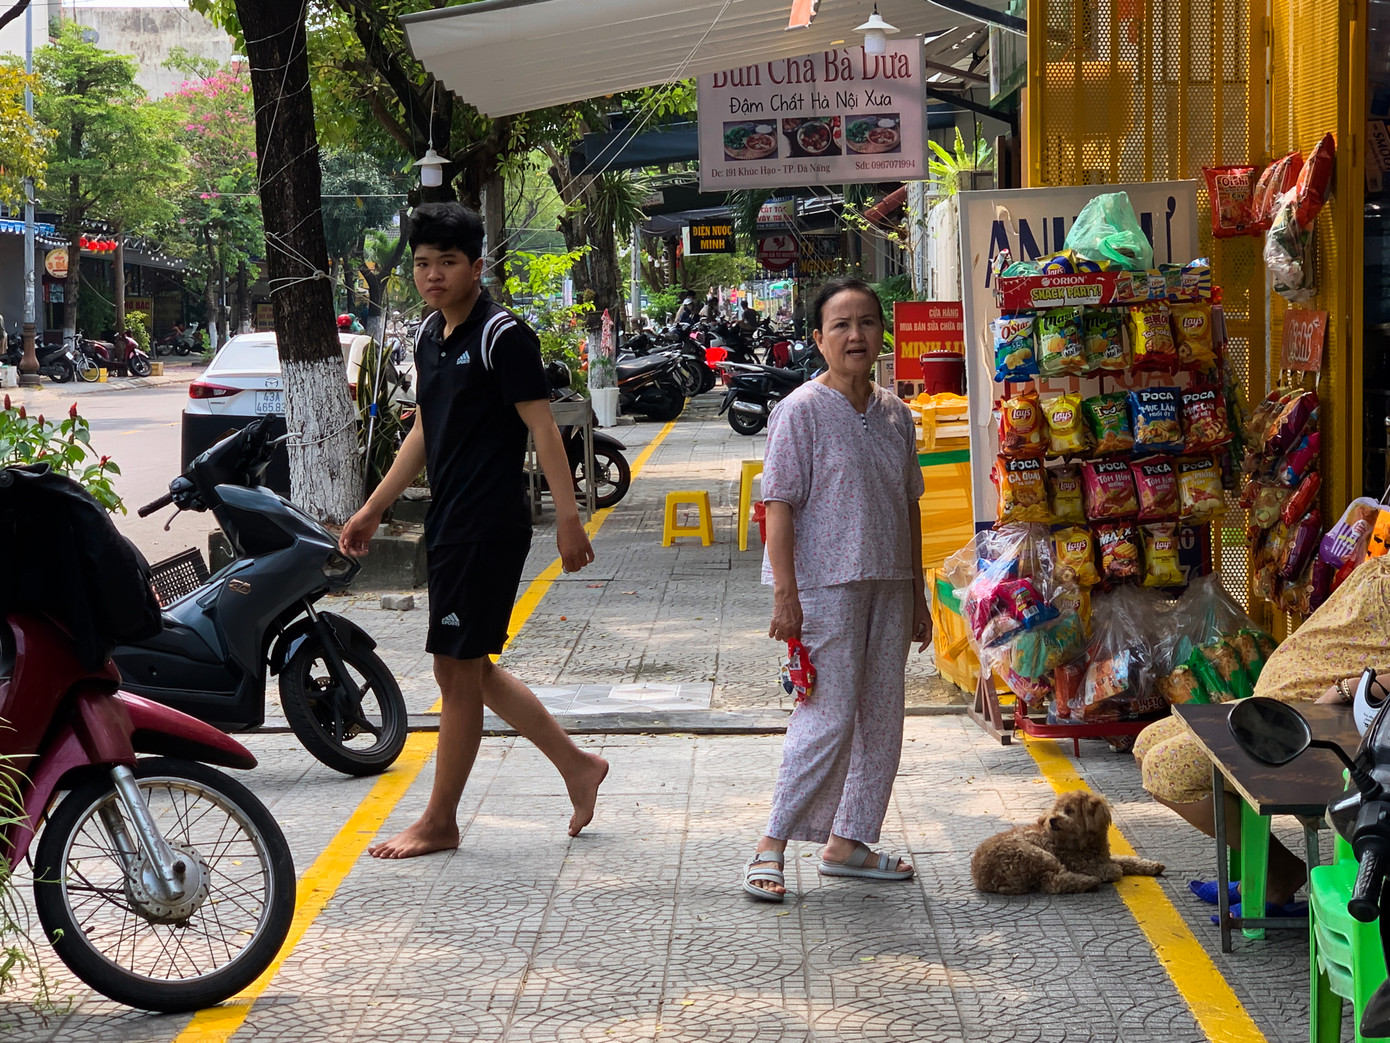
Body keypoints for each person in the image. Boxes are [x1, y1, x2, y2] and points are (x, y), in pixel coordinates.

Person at [339, 202, 609, 859]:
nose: (433, 275)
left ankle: (439, 820)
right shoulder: (431, 335)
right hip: (449, 520)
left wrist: (570, 519)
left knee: (456, 672)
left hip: (489, 524)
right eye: (424, 263)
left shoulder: (501, 335)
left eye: (448, 263)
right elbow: (426, 433)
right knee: (467, 669)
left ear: (475, 267)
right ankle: (578, 766)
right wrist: (373, 507)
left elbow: (546, 428)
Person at [742, 276, 932, 902]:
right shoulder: (799, 410)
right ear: (819, 338)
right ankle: (771, 844)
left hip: (890, 583)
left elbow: (910, 505)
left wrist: (920, 594)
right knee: (825, 717)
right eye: (841, 325)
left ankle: (849, 841)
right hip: (824, 587)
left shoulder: (896, 413)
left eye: (868, 323)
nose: (856, 336)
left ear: (883, 333)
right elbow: (778, 505)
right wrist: (785, 595)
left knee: (882, 720)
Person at [1133, 554, 1390, 913]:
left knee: (1167, 768)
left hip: (1322, 722)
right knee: (1147, 742)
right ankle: (1262, 867)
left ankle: (1277, 875)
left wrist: (1346, 689)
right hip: (1283, 702)